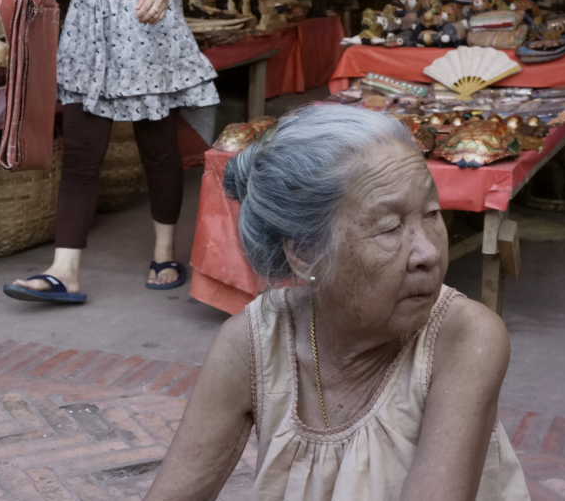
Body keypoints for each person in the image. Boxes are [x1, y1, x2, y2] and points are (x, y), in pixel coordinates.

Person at [146, 105, 531, 500]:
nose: (427, 252)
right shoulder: (255, 343)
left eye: (432, 213)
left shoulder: (464, 338)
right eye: (390, 227)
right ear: (304, 253)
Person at [2, 0, 218, 305]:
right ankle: (65, 269)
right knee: (81, 147)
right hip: (91, 16)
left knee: (158, 146)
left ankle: (165, 251)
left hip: (149, 12)